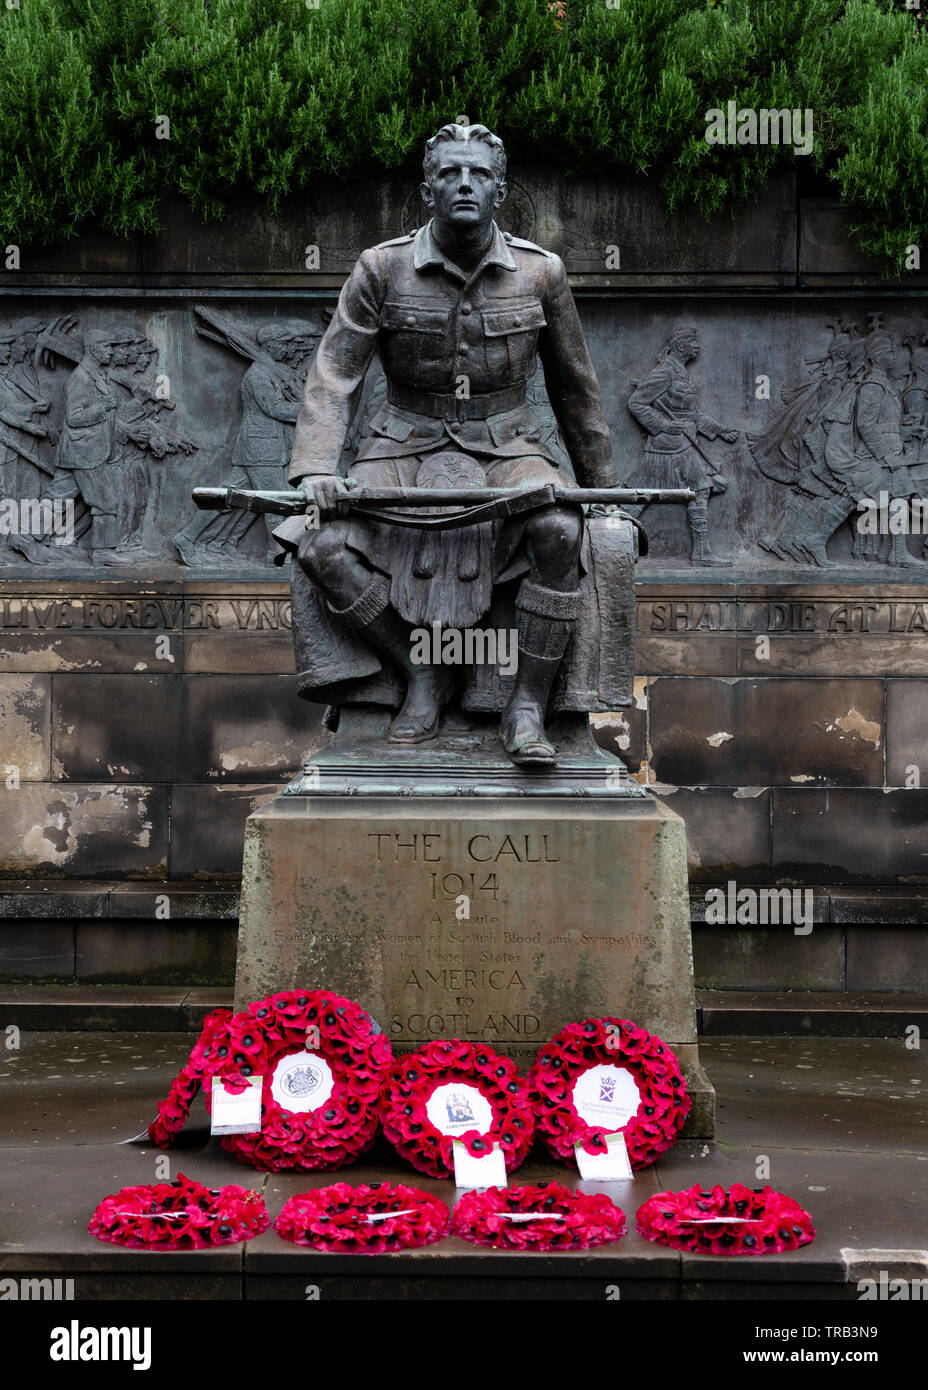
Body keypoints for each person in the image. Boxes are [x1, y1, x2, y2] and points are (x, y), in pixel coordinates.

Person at [272, 121, 618, 766]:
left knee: (561, 530)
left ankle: (526, 706)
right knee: (319, 546)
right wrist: (316, 467)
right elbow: (335, 373)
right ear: (428, 187)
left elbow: (575, 386)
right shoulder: (381, 267)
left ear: (500, 190)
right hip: (401, 446)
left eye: (479, 174)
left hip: (508, 446)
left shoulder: (541, 272)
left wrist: (601, 491)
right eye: (450, 172)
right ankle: (421, 671)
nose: (465, 184)